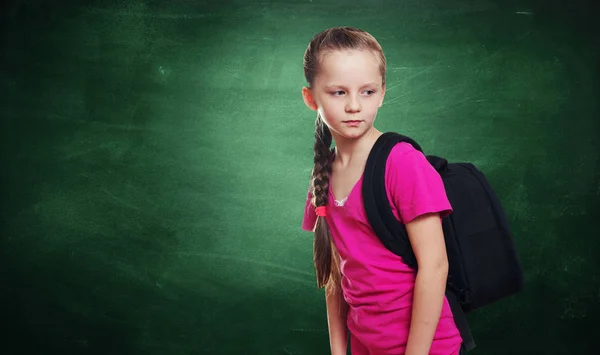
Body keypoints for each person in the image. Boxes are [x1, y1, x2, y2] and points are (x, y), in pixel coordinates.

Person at [300, 27, 465, 355]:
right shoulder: (322, 175)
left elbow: (434, 265)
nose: (354, 106)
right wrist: (338, 350)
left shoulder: (402, 162)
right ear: (310, 98)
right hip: (365, 345)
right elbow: (335, 275)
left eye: (367, 91)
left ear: (383, 93)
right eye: (338, 92)